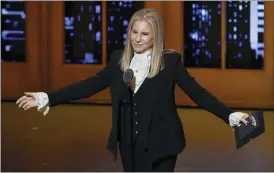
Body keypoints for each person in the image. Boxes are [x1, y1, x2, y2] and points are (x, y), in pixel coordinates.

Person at [16, 8, 251, 172]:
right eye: (134, 32)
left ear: (155, 36)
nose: (137, 39)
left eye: (144, 34)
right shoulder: (119, 60)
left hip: (162, 143)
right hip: (129, 143)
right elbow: (87, 86)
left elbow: (198, 93)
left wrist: (229, 115)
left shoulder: (169, 63)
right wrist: (46, 97)